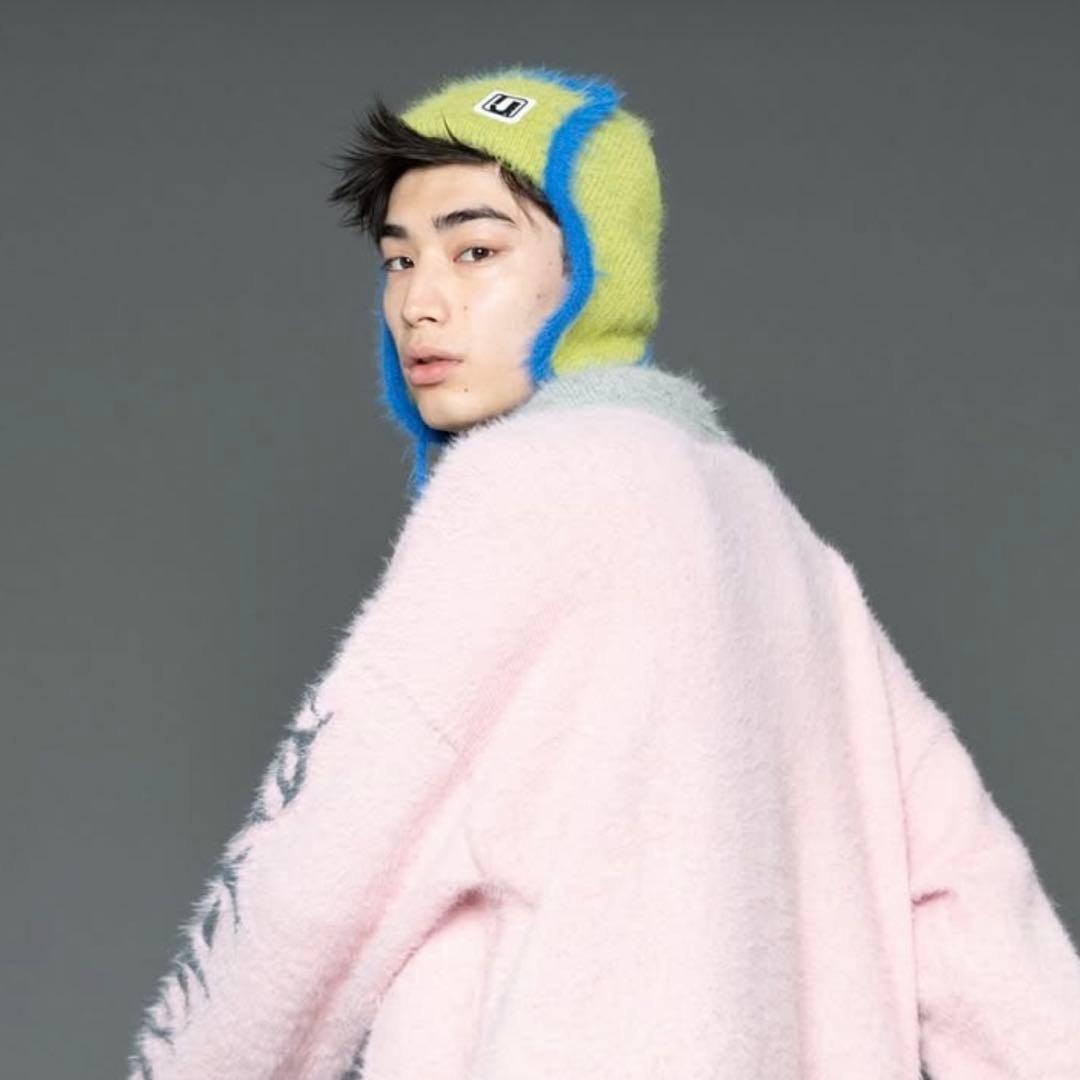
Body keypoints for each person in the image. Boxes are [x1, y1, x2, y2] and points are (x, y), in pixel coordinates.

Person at [126, 66, 1080, 1079]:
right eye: (400, 261)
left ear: (594, 270)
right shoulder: (779, 540)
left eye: (476, 250)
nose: (419, 303)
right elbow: (971, 900)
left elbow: (318, 873)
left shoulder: (521, 491)